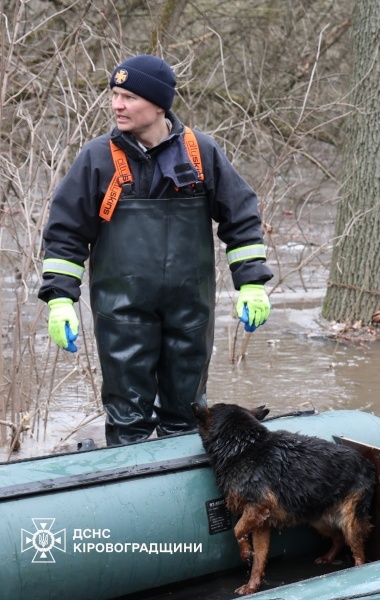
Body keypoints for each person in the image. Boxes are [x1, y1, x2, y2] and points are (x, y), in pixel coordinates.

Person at [40, 55, 272, 446]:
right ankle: (127, 471)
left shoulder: (200, 152)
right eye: (115, 95)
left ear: (159, 104)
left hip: (190, 309)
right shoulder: (98, 158)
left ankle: (183, 475)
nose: (117, 105)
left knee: (189, 412)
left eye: (129, 97)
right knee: (126, 416)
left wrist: (252, 283)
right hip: (121, 311)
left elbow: (241, 217)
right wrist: (60, 299)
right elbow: (66, 233)